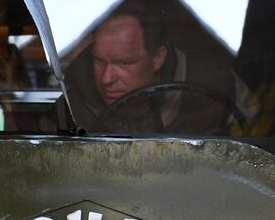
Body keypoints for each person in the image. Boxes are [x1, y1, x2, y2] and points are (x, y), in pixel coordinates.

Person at [59, 11, 248, 135]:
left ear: (158, 58)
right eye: (99, 61)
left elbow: (255, 140)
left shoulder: (216, 87)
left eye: (124, 63)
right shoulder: (70, 101)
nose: (107, 79)